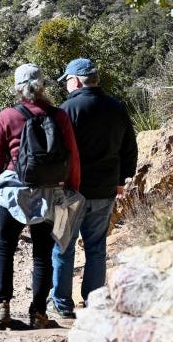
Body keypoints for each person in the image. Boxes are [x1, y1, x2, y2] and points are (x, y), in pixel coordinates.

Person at [0, 63, 81, 329]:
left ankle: (1, 305)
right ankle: (38, 313)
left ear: (17, 88)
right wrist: (71, 189)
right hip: (49, 193)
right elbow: (72, 157)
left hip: (13, 192)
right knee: (42, 253)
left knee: (5, 246)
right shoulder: (59, 116)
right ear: (43, 86)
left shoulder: (7, 116)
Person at [48, 58, 138, 318]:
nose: (66, 85)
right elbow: (129, 147)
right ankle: (94, 304)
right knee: (96, 247)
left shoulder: (67, 109)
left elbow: (55, 151)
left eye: (67, 80)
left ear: (76, 80)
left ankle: (62, 306)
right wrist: (122, 180)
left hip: (70, 191)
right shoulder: (116, 107)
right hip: (106, 189)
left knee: (63, 247)